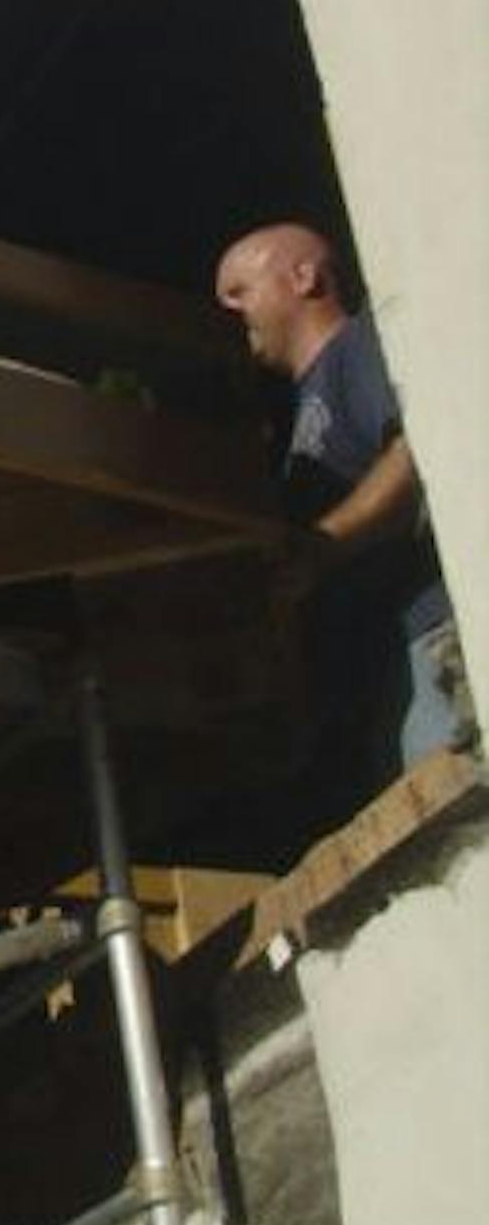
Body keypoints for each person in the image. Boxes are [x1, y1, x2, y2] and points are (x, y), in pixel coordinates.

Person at [214, 222, 475, 825]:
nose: (228, 311)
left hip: (428, 642)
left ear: (304, 276)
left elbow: (415, 452)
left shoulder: (358, 349)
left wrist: (321, 547)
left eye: (238, 290)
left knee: (455, 834)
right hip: (389, 671)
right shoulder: (298, 420)